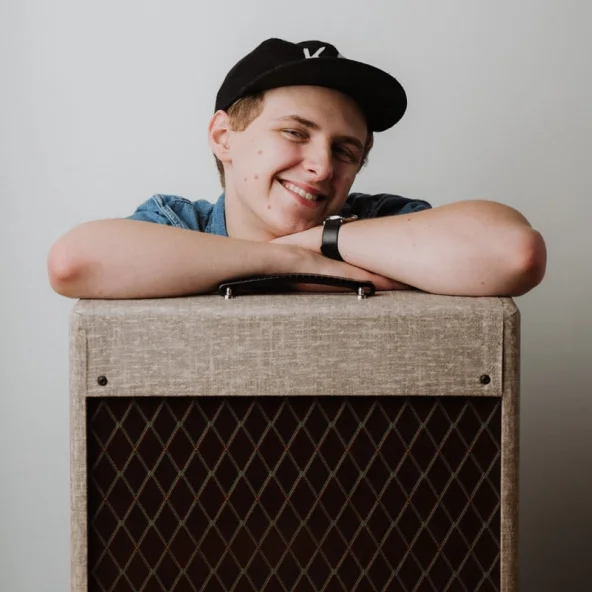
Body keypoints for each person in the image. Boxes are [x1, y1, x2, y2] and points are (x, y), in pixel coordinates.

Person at [48, 38, 546, 299]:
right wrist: (292, 263)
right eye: (295, 132)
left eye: (347, 150)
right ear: (224, 137)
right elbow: (73, 264)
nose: (322, 166)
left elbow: (514, 253)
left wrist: (317, 242)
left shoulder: (383, 225)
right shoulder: (177, 225)